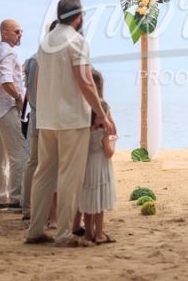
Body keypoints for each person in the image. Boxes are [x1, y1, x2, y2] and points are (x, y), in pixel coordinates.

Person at [25, 0, 115, 247]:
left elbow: (39, 81)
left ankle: (34, 230)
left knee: (44, 173)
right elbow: (85, 81)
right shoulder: (77, 42)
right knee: (69, 176)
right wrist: (101, 112)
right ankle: (64, 234)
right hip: (72, 118)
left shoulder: (46, 42)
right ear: (79, 17)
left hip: (47, 117)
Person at [0, 19, 27, 211]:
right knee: (19, 155)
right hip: (7, 108)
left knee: (0, 158)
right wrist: (18, 96)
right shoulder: (8, 53)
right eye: (16, 31)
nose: (20, 35)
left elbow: (5, 76)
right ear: (5, 32)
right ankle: (16, 199)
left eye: (21, 31)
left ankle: (2, 198)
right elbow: (5, 80)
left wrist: (21, 71)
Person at [21, 20, 59, 222]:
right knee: (43, 164)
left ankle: (29, 207)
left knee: (33, 162)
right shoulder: (46, 59)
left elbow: (29, 90)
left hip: (36, 114)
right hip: (45, 117)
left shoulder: (32, 59)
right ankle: (37, 209)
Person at [77, 70, 117, 245]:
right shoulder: (102, 133)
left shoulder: (84, 129)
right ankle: (99, 234)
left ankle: (88, 233)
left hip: (86, 165)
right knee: (99, 203)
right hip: (100, 166)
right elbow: (108, 152)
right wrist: (113, 141)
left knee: (88, 201)